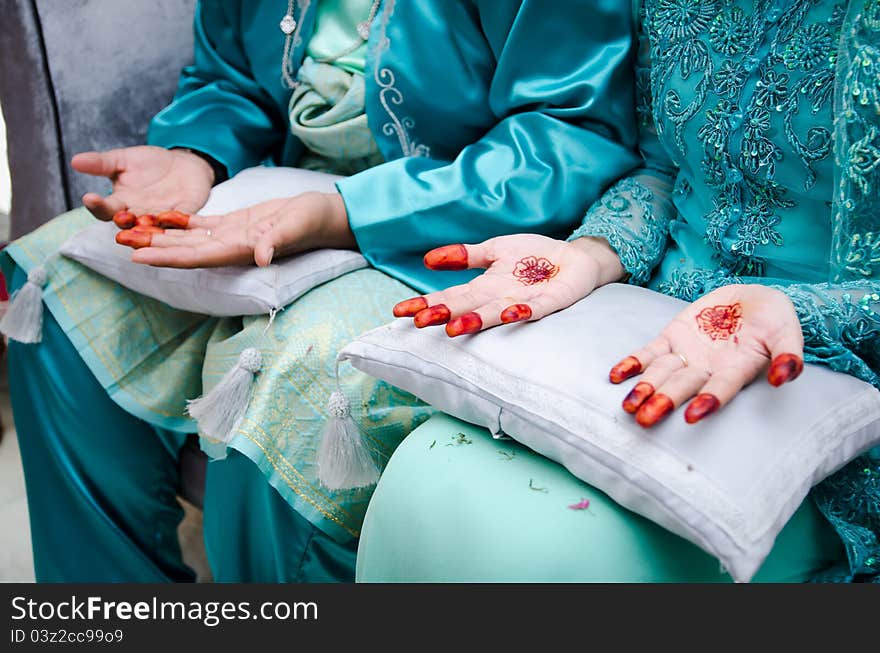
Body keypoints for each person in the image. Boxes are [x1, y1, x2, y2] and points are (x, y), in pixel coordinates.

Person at [0, 0, 640, 581]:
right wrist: (195, 152)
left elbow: (570, 136)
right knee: (63, 288)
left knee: (298, 391)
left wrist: (341, 213)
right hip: (275, 199)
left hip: (460, 234)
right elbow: (231, 77)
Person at [357, 0, 880, 582]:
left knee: (544, 551)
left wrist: (802, 313)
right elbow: (664, 164)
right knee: (426, 482)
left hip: (836, 376)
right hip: (646, 333)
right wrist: (593, 252)